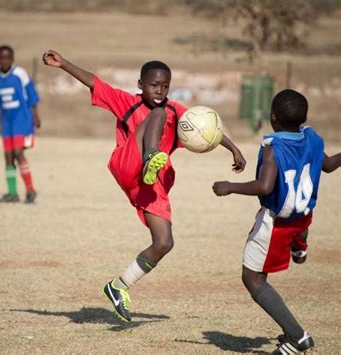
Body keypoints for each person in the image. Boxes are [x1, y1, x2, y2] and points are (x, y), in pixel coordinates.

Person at [43, 49, 246, 322]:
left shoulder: (177, 110)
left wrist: (233, 148)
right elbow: (94, 82)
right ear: (140, 85)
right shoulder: (128, 102)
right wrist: (64, 64)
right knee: (157, 115)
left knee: (164, 242)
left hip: (151, 182)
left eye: (165, 86)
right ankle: (151, 155)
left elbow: (206, 127)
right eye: (153, 85)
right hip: (128, 165)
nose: (160, 90)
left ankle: (118, 286)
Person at [212, 89, 341, 354]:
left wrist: (230, 186)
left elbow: (265, 186)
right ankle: (300, 242)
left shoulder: (274, 149)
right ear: (304, 118)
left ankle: (297, 337)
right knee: (299, 224)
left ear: (272, 117)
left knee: (253, 279)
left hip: (277, 223)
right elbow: (328, 165)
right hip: (303, 215)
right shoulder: (313, 138)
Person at [0, 44, 41, 203]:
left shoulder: (20, 74)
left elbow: (32, 94)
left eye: (7, 58)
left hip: (22, 120)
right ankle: (12, 193)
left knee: (18, 152)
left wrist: (36, 115)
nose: (4, 61)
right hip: (7, 122)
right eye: (1, 58)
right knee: (8, 156)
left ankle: (30, 190)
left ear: (12, 59)